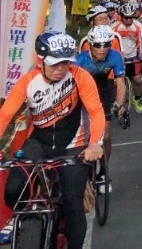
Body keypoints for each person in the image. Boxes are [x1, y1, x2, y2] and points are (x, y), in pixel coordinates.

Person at [0, 32, 105, 249]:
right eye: (55, 64)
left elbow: (95, 112)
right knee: (12, 191)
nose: (61, 69)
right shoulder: (28, 82)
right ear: (41, 60)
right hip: (39, 141)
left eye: (65, 63)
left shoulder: (80, 76)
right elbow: (5, 115)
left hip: (73, 143)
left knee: (72, 204)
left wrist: (95, 143)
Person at [76, 25, 127, 161]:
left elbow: (121, 83)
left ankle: (105, 170)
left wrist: (119, 104)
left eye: (106, 45)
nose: (102, 49)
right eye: (98, 45)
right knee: (82, 136)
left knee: (105, 137)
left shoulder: (115, 56)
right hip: (83, 93)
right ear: (90, 44)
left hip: (103, 91)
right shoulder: (80, 60)